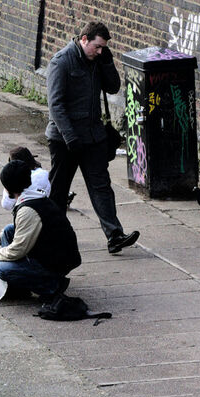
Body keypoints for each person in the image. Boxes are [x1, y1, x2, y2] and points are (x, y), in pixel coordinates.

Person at [45, 21, 140, 254]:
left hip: (93, 136)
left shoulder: (98, 61)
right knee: (59, 190)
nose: (99, 51)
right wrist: (70, 138)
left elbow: (113, 87)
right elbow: (55, 105)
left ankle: (114, 235)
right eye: (97, 47)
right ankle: (52, 236)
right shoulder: (61, 62)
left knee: (102, 187)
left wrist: (107, 62)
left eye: (103, 48)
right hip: (65, 139)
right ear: (84, 39)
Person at [0, 160, 81, 302]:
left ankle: (52, 285)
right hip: (55, 253)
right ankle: (19, 285)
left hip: (56, 263)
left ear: (7, 188)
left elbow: (17, 250)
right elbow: (23, 228)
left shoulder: (28, 210)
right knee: (8, 231)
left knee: (3, 269)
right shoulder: (34, 195)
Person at [1, 146, 50, 211]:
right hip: (46, 209)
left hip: (25, 212)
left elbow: (6, 205)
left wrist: (7, 185)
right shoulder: (44, 174)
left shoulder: (18, 180)